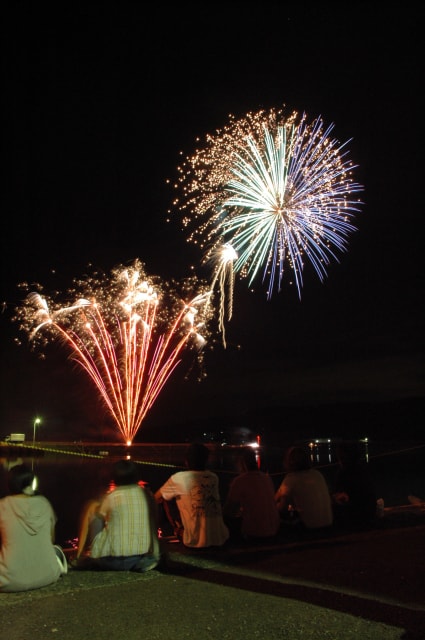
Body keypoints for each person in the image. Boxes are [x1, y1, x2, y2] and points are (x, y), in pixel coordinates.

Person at [73, 459, 160, 571]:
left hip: (110, 561)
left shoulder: (113, 496)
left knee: (92, 507)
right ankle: (144, 558)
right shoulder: (147, 495)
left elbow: (100, 517)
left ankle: (81, 555)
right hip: (140, 557)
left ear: (115, 477)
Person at [0, 464, 65, 592]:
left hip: (9, 581)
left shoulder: (3, 506)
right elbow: (51, 539)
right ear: (31, 485)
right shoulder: (44, 503)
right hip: (49, 575)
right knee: (57, 549)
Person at [154, 442, 229, 549]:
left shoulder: (179, 478)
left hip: (194, 541)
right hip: (220, 538)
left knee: (165, 498)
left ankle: (176, 529)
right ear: (206, 460)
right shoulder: (213, 477)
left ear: (186, 461)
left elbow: (155, 498)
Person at [223, 448, 281, 543]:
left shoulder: (240, 480)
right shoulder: (266, 478)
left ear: (242, 463)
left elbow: (229, 510)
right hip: (274, 528)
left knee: (227, 521)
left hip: (255, 533)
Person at [275, 446, 333, 531]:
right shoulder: (317, 474)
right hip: (328, 525)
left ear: (289, 462)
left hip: (309, 528)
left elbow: (282, 508)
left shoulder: (291, 478)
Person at [331, 442, 377, 530]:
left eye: (340, 456)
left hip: (355, 516)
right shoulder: (363, 470)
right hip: (369, 513)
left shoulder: (343, 473)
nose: (339, 459)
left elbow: (342, 497)